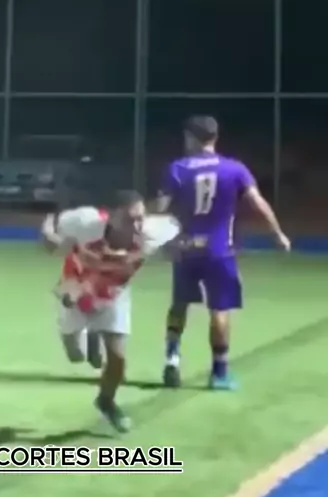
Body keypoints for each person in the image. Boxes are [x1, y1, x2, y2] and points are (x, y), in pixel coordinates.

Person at [157, 115, 291, 391]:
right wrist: (277, 233)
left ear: (191, 138)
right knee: (219, 310)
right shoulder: (235, 168)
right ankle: (219, 374)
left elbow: (160, 208)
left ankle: (172, 359)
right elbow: (257, 202)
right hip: (220, 250)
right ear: (215, 137)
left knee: (179, 304)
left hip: (186, 248)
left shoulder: (178, 168)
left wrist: (155, 236)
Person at [42, 191, 180, 432]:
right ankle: (90, 334)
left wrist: (183, 248)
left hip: (113, 295)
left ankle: (106, 400)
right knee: (76, 356)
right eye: (130, 219)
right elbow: (51, 230)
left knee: (118, 358)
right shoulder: (86, 222)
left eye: (140, 218)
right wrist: (50, 238)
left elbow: (178, 233)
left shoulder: (152, 232)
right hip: (77, 288)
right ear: (112, 217)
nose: (137, 225)